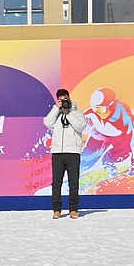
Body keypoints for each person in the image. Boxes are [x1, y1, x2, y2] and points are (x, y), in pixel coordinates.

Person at [43, 88, 87, 219]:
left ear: (69, 97)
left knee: (74, 182)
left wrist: (69, 112)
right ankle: (57, 210)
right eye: (60, 99)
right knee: (56, 183)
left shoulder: (78, 113)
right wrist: (56, 109)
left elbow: (80, 126)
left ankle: (73, 209)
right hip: (57, 152)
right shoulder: (56, 114)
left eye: (65, 98)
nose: (63, 101)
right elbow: (47, 123)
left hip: (73, 152)